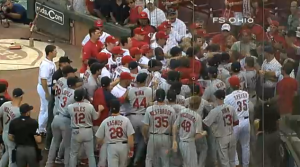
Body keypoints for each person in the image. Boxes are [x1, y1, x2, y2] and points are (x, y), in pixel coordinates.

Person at [45, 77, 82, 167]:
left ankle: (48, 164)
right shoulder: (74, 93)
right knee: (67, 146)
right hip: (65, 121)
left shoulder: (64, 90)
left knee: (54, 143)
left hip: (56, 118)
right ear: (74, 84)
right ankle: (67, 164)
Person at [68, 88, 103, 167]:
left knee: (73, 154)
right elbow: (95, 117)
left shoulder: (70, 107)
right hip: (87, 131)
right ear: (83, 97)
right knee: (90, 155)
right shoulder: (89, 106)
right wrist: (99, 111)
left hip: (75, 131)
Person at [203, 90, 239, 167]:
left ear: (216, 98)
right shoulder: (231, 108)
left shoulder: (215, 111)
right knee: (232, 160)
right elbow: (236, 122)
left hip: (222, 138)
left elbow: (205, 123)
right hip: (232, 136)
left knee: (224, 162)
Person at [142, 89, 176, 167]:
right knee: (165, 160)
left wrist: (145, 136)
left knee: (149, 159)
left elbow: (145, 127)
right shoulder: (171, 110)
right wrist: (173, 139)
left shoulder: (149, 109)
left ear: (156, 97)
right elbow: (173, 127)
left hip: (153, 136)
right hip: (166, 137)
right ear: (165, 97)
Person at [95, 99, 135, 167]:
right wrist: (131, 149)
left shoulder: (105, 121)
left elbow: (98, 138)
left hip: (111, 146)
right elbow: (130, 137)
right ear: (119, 108)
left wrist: (103, 142)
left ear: (110, 109)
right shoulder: (126, 120)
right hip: (124, 146)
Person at [46, 56, 73, 150]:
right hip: (57, 105)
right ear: (63, 64)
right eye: (68, 63)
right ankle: (48, 145)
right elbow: (53, 91)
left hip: (58, 105)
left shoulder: (60, 79)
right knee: (52, 125)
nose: (69, 64)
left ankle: (54, 148)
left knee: (56, 130)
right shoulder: (58, 76)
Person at [172, 96, 207, 167]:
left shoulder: (182, 111)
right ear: (198, 105)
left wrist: (174, 140)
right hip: (189, 144)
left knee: (185, 164)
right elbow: (197, 136)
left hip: (181, 142)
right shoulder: (197, 117)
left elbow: (174, 126)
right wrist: (204, 133)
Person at [224, 76, 250, 167]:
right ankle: (246, 165)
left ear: (230, 85)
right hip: (246, 121)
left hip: (235, 123)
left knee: (233, 146)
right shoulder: (246, 94)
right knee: (245, 145)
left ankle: (237, 164)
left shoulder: (227, 98)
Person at [0, 88, 24, 167]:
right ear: (21, 97)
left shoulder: (5, 104)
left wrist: (0, 127)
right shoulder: (19, 112)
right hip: (11, 137)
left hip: (4, 134)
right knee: (13, 159)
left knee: (7, 153)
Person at [37, 45, 57, 135]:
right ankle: (40, 129)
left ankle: (41, 128)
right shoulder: (45, 65)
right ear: (50, 52)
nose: (56, 52)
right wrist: (47, 93)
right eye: (55, 51)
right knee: (48, 109)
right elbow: (43, 79)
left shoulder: (50, 62)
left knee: (43, 109)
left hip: (47, 86)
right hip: (45, 87)